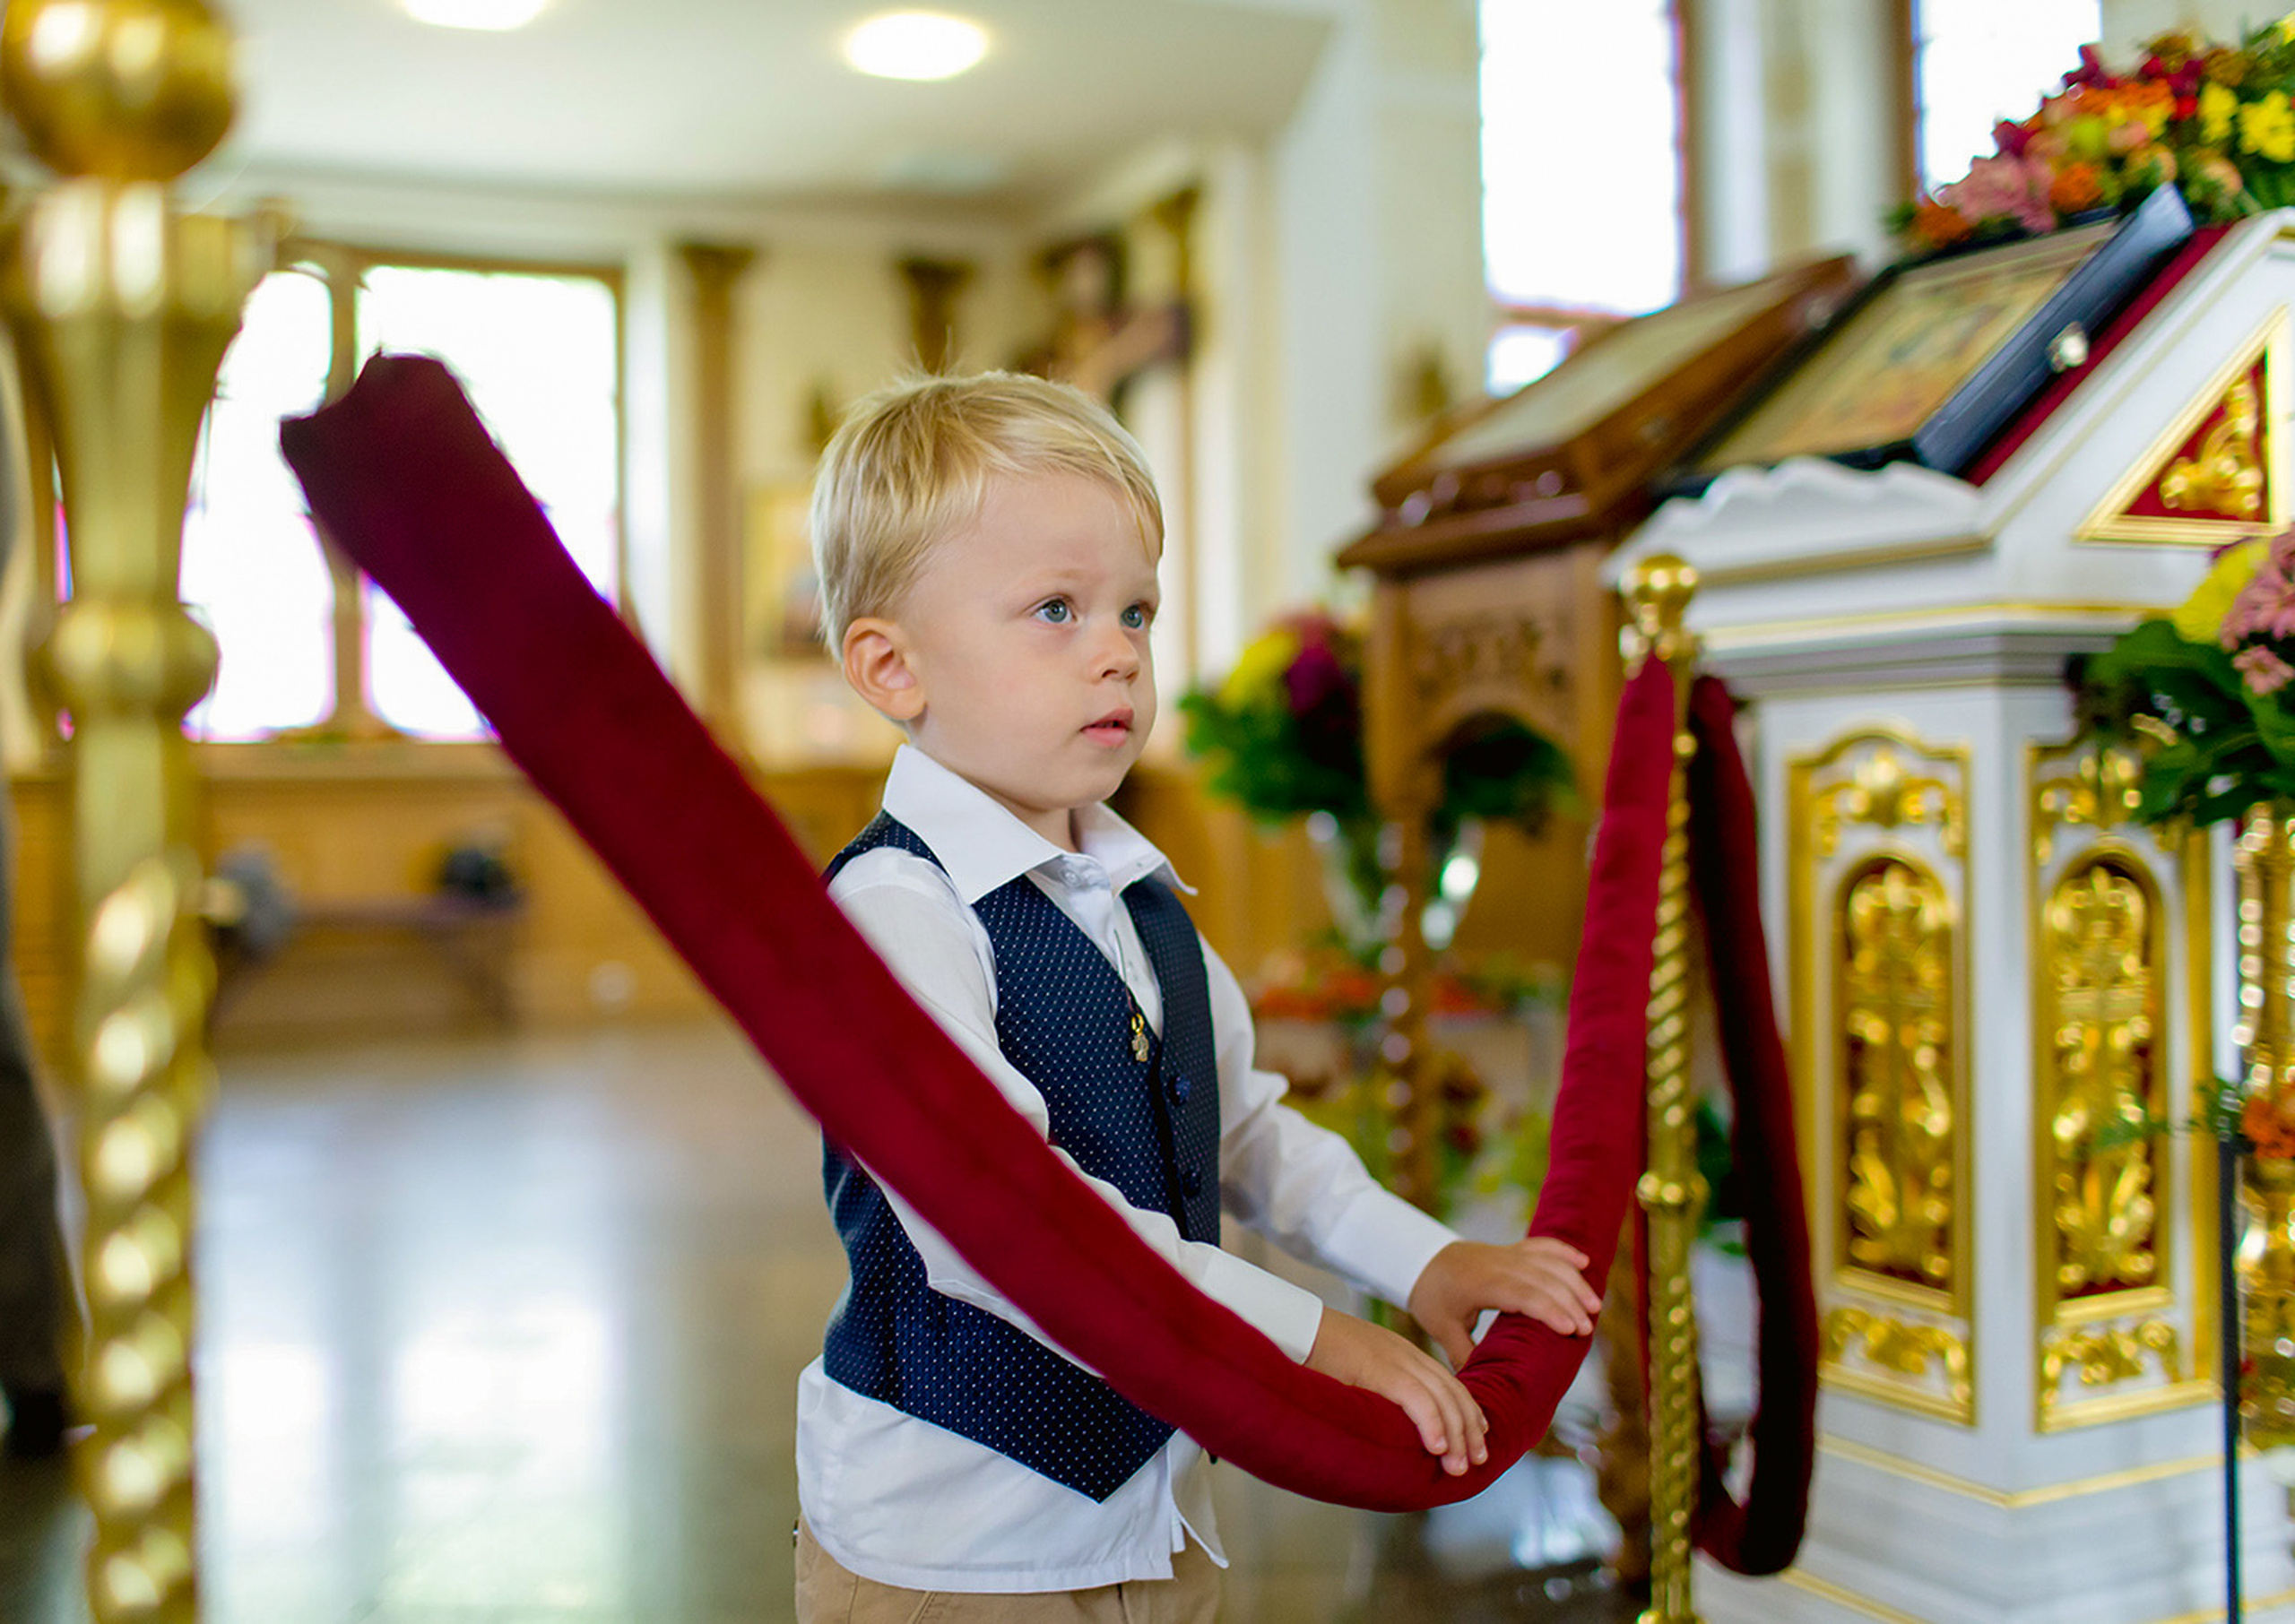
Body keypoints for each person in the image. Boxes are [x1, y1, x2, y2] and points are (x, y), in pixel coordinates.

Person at [794, 371, 1601, 1621]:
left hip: (1160, 1513)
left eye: (1137, 611)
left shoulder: (1139, 895)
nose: (1119, 649)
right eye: (1055, 610)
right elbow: (1009, 1232)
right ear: (893, 667)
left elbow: (1249, 1134)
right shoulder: (899, 911)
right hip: (958, 1545)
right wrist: (1320, 1341)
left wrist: (1426, 1261)